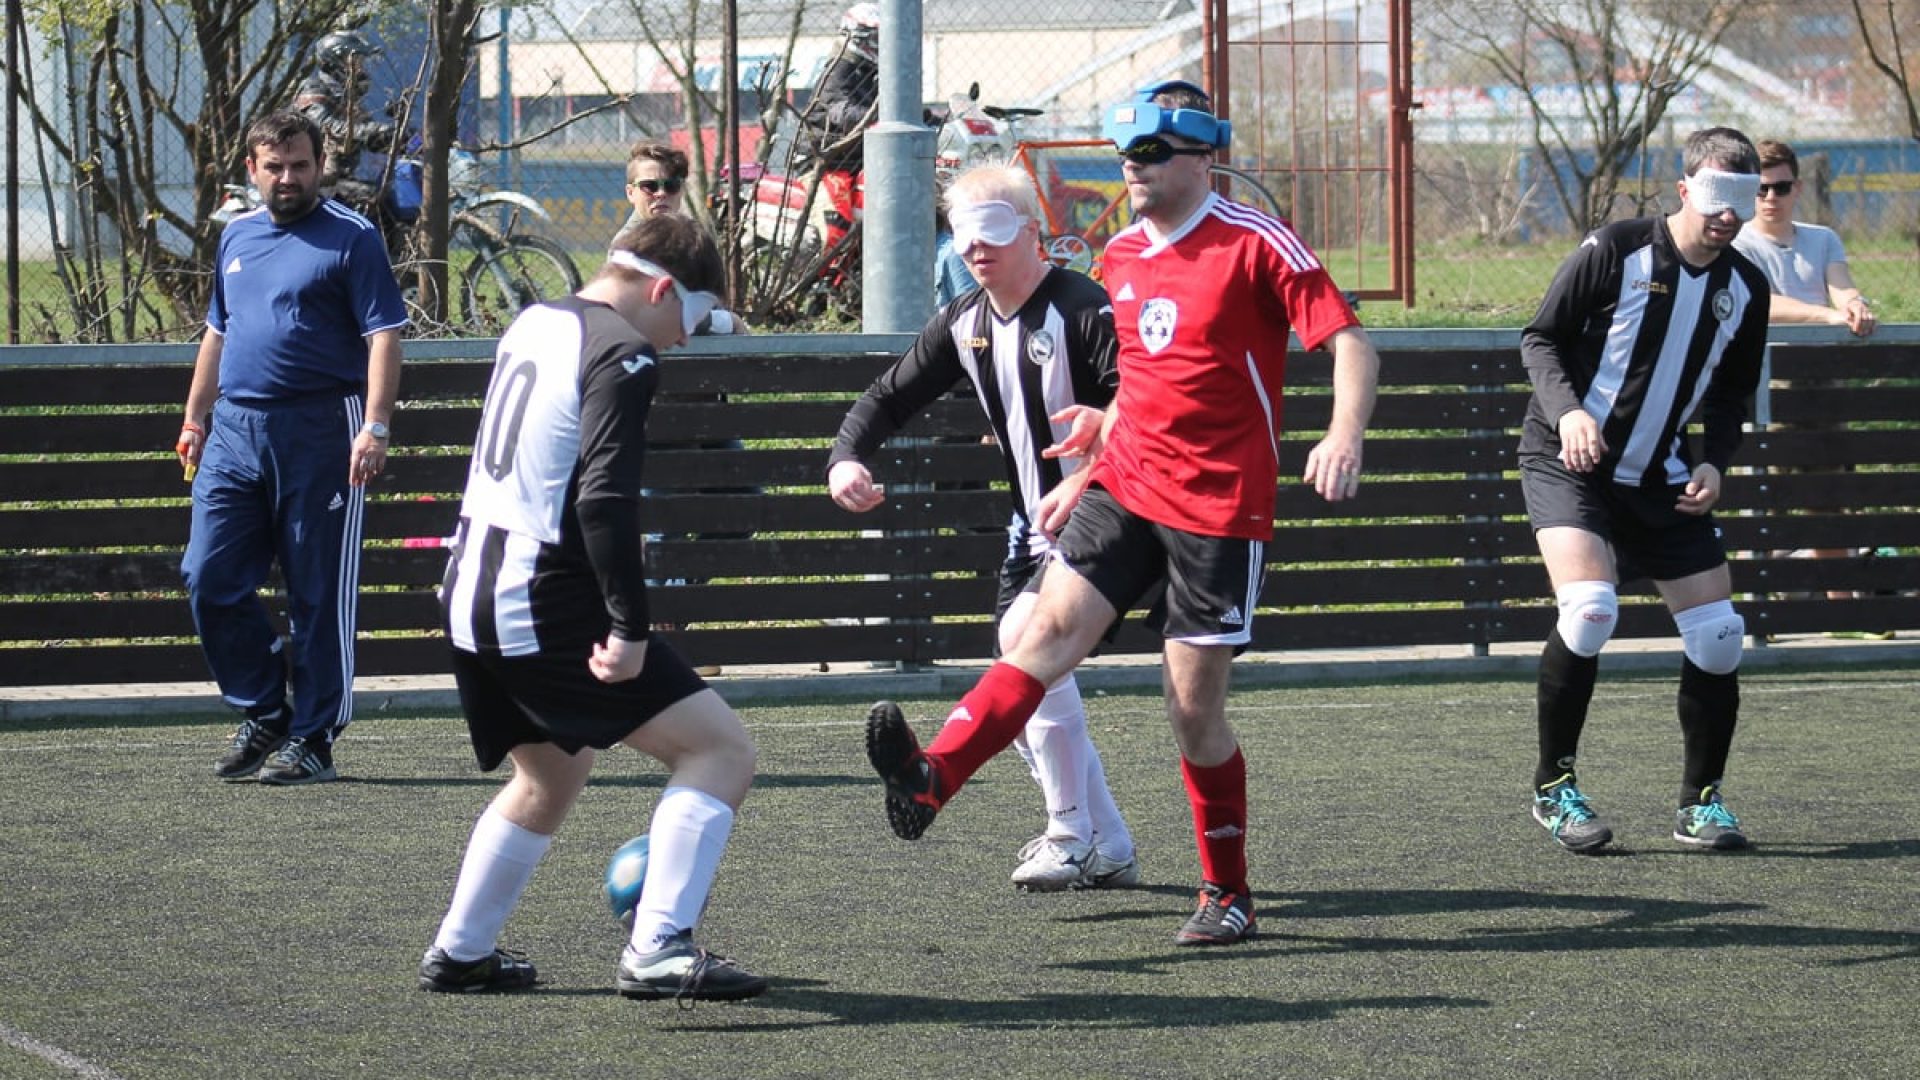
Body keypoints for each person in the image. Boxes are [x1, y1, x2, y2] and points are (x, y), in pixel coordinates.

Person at [860, 80, 1380, 945]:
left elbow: (1348, 341)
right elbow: (1141, 376)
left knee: (1190, 709)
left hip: (1217, 510)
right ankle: (932, 777)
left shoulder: (1256, 242)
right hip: (1127, 486)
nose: (1132, 168)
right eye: (1125, 154)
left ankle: (1228, 891)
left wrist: (1343, 434)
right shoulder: (1123, 256)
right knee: (1039, 635)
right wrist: (1102, 438)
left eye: (1151, 153)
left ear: (1202, 156)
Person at [419, 213, 767, 1000]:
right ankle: (659, 947)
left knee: (552, 770)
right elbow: (606, 500)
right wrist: (631, 626)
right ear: (661, 288)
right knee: (720, 751)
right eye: (695, 318)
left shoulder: (538, 320)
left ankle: (461, 950)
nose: (687, 339)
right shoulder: (624, 350)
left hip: (470, 584)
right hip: (536, 594)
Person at [828, 163, 1139, 891]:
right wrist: (846, 458)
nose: (976, 249)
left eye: (995, 229)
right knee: (1022, 664)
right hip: (1031, 529)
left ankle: (1069, 832)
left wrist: (1090, 472)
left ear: (1036, 233)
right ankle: (1109, 843)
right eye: (963, 234)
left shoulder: (1084, 310)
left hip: (1113, 517)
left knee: (1025, 646)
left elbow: (1145, 402)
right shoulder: (966, 323)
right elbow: (888, 396)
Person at [1519, 127, 1771, 856]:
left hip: (1661, 477)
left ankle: (1700, 803)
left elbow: (1730, 394)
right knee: (1593, 609)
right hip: (1570, 464)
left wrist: (1715, 462)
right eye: (1717, 197)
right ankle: (1553, 788)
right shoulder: (1616, 249)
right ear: (1686, 188)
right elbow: (1540, 338)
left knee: (1720, 635)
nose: (1729, 215)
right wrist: (1569, 411)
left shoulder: (1745, 286)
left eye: (1744, 200)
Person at [177, 110, 407, 785]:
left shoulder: (352, 238)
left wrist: (376, 423)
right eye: (274, 167)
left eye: (300, 165)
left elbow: (385, 334)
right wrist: (196, 417)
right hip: (235, 432)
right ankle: (263, 707)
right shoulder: (237, 237)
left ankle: (314, 738)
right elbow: (218, 332)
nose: (288, 178)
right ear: (252, 169)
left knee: (316, 592)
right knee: (207, 576)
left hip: (321, 430)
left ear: (318, 167)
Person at [1732, 140, 1876, 337]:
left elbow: (1841, 286)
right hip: (1763, 353)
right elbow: (1758, 302)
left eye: (1781, 187)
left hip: (1821, 349)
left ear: (1797, 188)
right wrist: (1827, 315)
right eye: (1761, 188)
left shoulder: (1825, 238)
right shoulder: (1734, 243)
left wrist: (1854, 305)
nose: (1771, 197)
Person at [292, 29, 406, 207]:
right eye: (357, 62)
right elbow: (324, 126)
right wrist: (374, 131)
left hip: (342, 179)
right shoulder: (314, 88)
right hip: (313, 178)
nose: (362, 69)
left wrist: (406, 139)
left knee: (397, 197)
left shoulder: (349, 102)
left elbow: (372, 138)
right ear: (336, 62)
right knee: (375, 201)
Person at [798, 3, 880, 175]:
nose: (881, 45)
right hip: (822, 161)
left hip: (853, 159)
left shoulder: (869, 71)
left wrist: (928, 119)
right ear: (858, 37)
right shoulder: (838, 69)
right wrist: (883, 118)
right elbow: (840, 111)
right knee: (836, 201)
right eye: (877, 38)